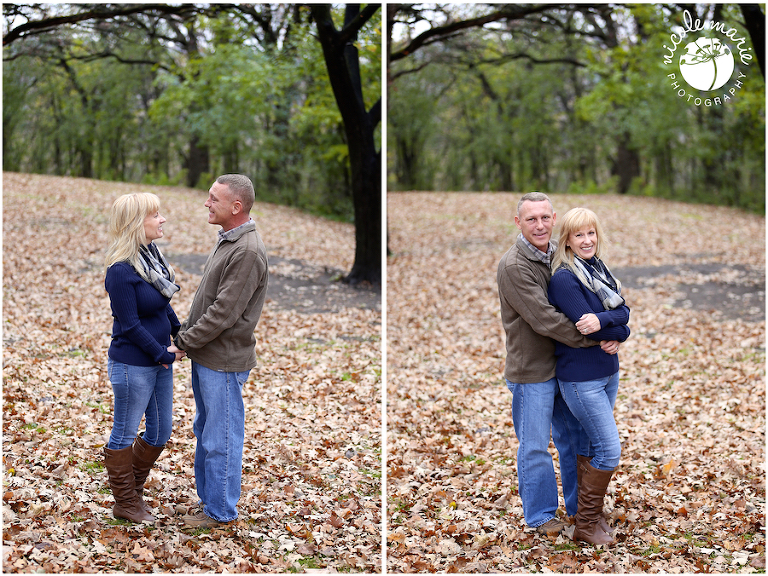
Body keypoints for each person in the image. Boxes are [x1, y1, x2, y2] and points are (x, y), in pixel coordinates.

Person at [497, 192, 620, 536]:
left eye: (544, 218)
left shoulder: (558, 255)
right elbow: (546, 320)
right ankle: (540, 516)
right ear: (518, 222)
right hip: (532, 371)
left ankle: (582, 511)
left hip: (563, 367)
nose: (539, 225)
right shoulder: (514, 266)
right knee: (535, 445)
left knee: (572, 442)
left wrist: (611, 326)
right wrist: (597, 338)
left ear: (554, 219)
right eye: (531, 219)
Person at [174, 174, 269, 528]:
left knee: (221, 438)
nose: (206, 203)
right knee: (206, 431)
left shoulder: (246, 250)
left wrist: (184, 341)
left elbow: (224, 314)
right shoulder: (230, 240)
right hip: (208, 356)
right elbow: (210, 301)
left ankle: (220, 513)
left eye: (214, 198)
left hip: (223, 361)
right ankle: (209, 503)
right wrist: (185, 333)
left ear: (236, 206)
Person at [548, 207, 630, 546]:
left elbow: (623, 312)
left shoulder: (599, 270)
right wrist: (613, 324)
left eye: (591, 233)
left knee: (589, 446)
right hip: (582, 380)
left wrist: (617, 328)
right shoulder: (565, 278)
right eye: (579, 234)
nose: (587, 240)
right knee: (609, 451)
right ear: (567, 240)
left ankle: (589, 516)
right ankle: (585, 525)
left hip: (607, 374)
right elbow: (587, 326)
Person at [103, 193, 185, 524]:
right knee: (123, 433)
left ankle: (132, 494)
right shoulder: (120, 271)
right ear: (138, 223)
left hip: (159, 360)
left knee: (161, 431)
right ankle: (125, 502)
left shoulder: (149, 258)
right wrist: (160, 352)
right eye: (155, 214)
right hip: (132, 364)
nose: (162, 219)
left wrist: (181, 334)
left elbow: (162, 304)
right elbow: (129, 323)